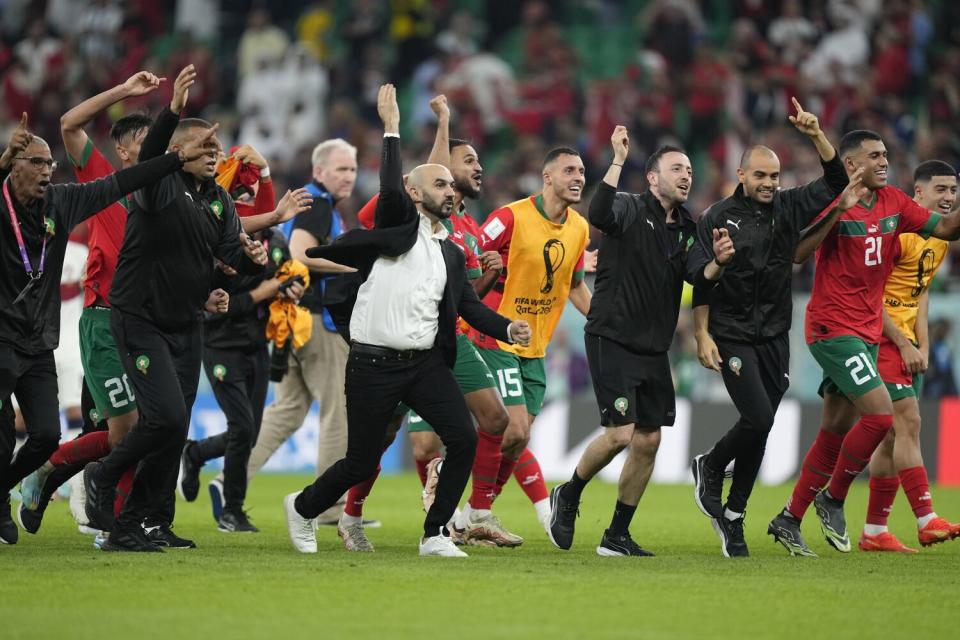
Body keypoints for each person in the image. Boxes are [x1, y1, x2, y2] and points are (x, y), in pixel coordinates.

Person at [282, 84, 531, 557]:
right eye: (440, 184)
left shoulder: (451, 254)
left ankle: (434, 534)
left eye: (451, 186)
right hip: (373, 364)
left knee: (461, 438)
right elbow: (391, 183)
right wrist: (392, 126)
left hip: (423, 364)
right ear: (414, 193)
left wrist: (506, 328)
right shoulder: (396, 226)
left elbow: (468, 308)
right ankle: (303, 507)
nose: (451, 190)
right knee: (359, 460)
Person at [82, 106, 311, 552]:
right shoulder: (157, 185)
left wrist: (249, 261)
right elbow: (151, 154)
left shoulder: (219, 202)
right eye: (204, 147)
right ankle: (104, 475)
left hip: (186, 323)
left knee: (176, 426)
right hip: (139, 319)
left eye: (218, 149)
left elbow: (225, 264)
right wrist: (170, 112)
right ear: (175, 153)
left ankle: (149, 521)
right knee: (165, 417)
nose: (214, 155)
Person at [0, 110, 213, 545]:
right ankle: (91, 507)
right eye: (153, 138)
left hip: (144, 325)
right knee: (129, 432)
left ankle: (86, 496)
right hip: (102, 323)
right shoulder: (102, 181)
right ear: (123, 149)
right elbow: (69, 126)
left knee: (134, 431)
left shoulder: (165, 195)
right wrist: (126, 93)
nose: (164, 144)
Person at [767, 130, 960, 557]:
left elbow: (946, 228)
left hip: (867, 330)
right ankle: (834, 497)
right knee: (881, 417)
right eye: (874, 156)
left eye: (886, 154)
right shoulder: (834, 200)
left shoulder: (893, 200)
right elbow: (798, 254)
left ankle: (789, 517)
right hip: (832, 329)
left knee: (834, 430)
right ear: (852, 165)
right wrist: (839, 211)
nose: (885, 161)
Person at [346, 97, 519, 550]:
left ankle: (475, 513)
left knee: (495, 420)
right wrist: (443, 123)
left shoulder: (470, 231)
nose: (477, 167)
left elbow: (465, 303)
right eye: (468, 160)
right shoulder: (411, 212)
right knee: (388, 439)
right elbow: (427, 172)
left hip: (452, 341)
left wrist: (492, 277)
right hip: (404, 339)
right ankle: (352, 515)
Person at [688, 99, 851, 557]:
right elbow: (697, 280)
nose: (768, 183)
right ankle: (712, 464)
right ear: (742, 174)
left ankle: (735, 516)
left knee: (760, 426)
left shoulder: (791, 206)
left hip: (776, 336)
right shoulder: (717, 217)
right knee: (759, 418)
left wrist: (816, 134)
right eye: (759, 175)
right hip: (734, 334)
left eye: (774, 176)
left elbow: (836, 182)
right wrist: (703, 332)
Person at [548, 129, 715, 556]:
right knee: (621, 434)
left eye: (690, 170)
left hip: (654, 347)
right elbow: (599, 211)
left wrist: (720, 264)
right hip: (612, 337)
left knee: (649, 439)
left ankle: (616, 535)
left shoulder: (689, 229)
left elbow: (699, 278)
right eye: (676, 168)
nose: (686, 175)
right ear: (653, 179)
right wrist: (618, 159)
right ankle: (569, 494)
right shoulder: (626, 205)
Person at [468, 145, 593, 535]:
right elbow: (469, 262)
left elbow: (575, 287)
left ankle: (472, 513)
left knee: (515, 441)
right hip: (497, 337)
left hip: (535, 347)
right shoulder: (509, 217)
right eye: (569, 170)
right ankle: (477, 512)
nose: (578, 178)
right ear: (548, 177)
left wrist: (609, 323)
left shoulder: (579, 228)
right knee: (515, 429)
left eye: (582, 171)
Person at [241, 136, 360, 528]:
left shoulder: (307, 202)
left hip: (291, 320)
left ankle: (231, 484)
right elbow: (301, 254)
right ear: (319, 171)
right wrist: (352, 268)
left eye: (353, 169)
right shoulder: (318, 205)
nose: (348, 176)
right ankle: (329, 507)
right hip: (316, 323)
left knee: (287, 412)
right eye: (341, 169)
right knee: (337, 412)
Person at [854, 160, 960, 551]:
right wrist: (902, 341)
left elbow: (923, 292)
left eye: (953, 190)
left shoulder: (942, 238)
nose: (948, 197)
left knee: (889, 439)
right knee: (909, 422)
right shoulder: (899, 233)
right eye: (940, 190)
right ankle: (926, 517)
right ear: (919, 193)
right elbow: (870, 293)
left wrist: (924, 344)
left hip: (910, 345)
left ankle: (874, 530)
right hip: (881, 337)